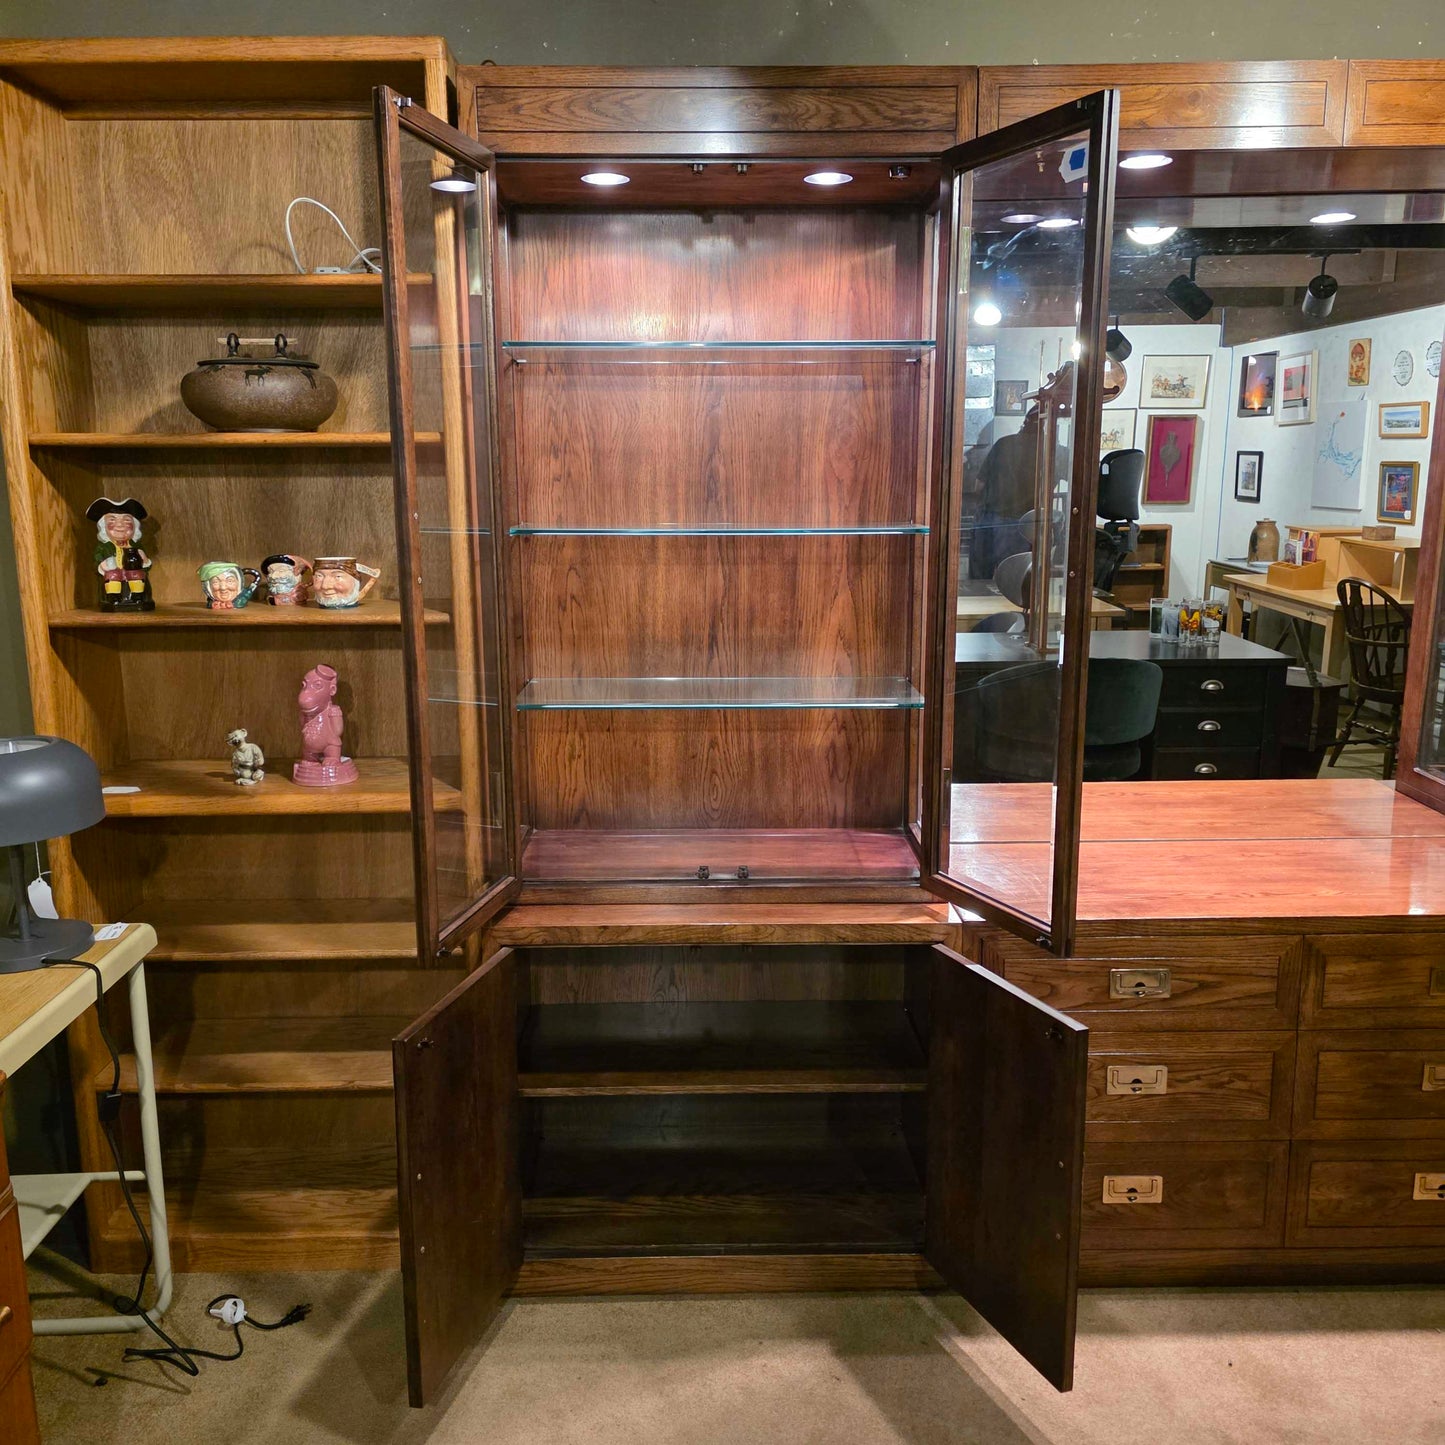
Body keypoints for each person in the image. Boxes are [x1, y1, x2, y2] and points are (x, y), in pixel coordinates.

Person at [86, 497, 154, 610]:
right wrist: (103, 565)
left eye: (127, 520)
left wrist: (144, 560)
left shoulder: (136, 546)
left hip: (133, 575)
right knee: (112, 575)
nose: (120, 525)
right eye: (112, 520)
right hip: (113, 576)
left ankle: (137, 597)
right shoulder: (104, 547)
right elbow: (97, 560)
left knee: (137, 574)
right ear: (103, 526)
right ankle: (113, 598)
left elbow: (147, 566)